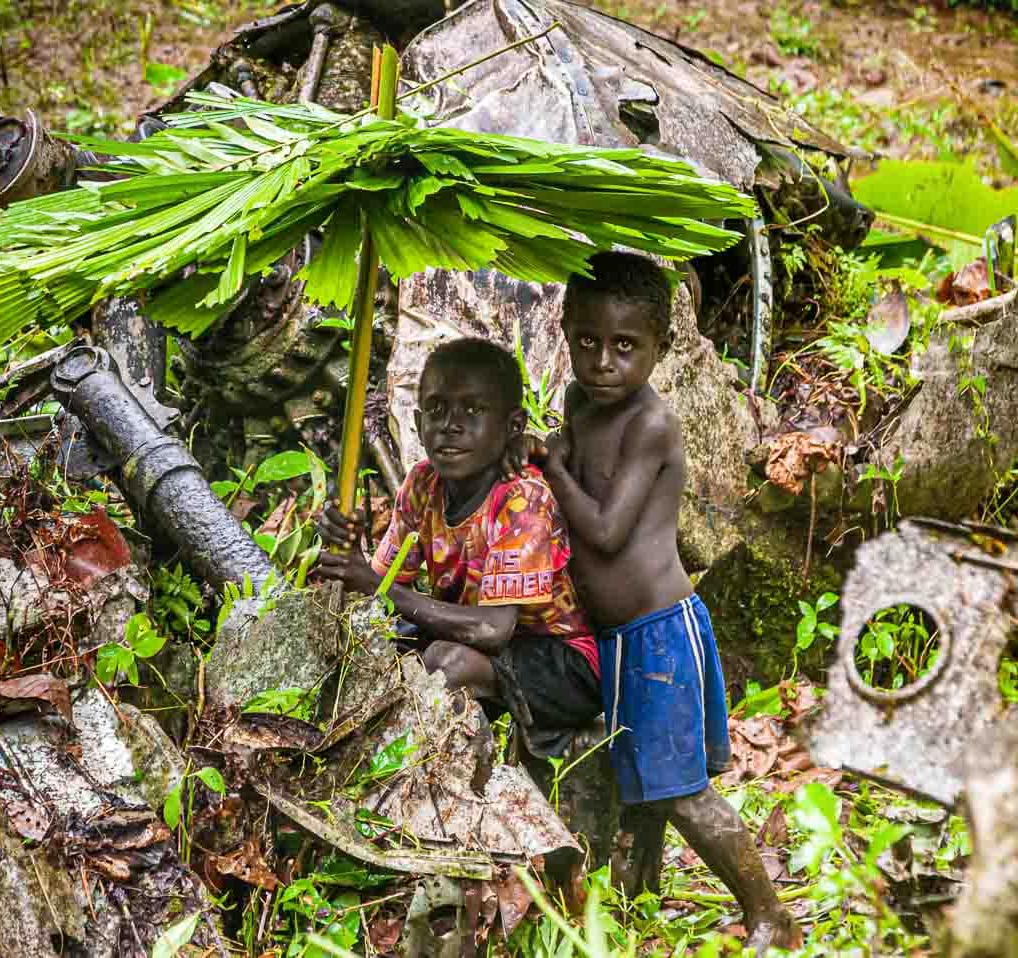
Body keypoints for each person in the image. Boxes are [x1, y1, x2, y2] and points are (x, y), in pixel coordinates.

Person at [531, 250, 800, 952]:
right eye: (587, 341)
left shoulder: (651, 425)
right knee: (640, 774)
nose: (603, 362)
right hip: (617, 637)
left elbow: (605, 529)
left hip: (660, 633)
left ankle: (770, 913)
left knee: (680, 789)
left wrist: (551, 465)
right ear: (565, 331)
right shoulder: (578, 404)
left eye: (626, 346)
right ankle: (639, 896)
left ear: (663, 345)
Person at [316, 338, 603, 768]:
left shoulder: (522, 498)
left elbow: (493, 629)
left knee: (443, 663)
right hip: (487, 639)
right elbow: (380, 592)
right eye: (436, 409)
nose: (451, 425)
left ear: (513, 426)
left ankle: (410, 774)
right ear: (417, 422)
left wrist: (376, 585)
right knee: (378, 647)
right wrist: (347, 550)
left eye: (473, 410)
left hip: (562, 661)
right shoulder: (421, 483)